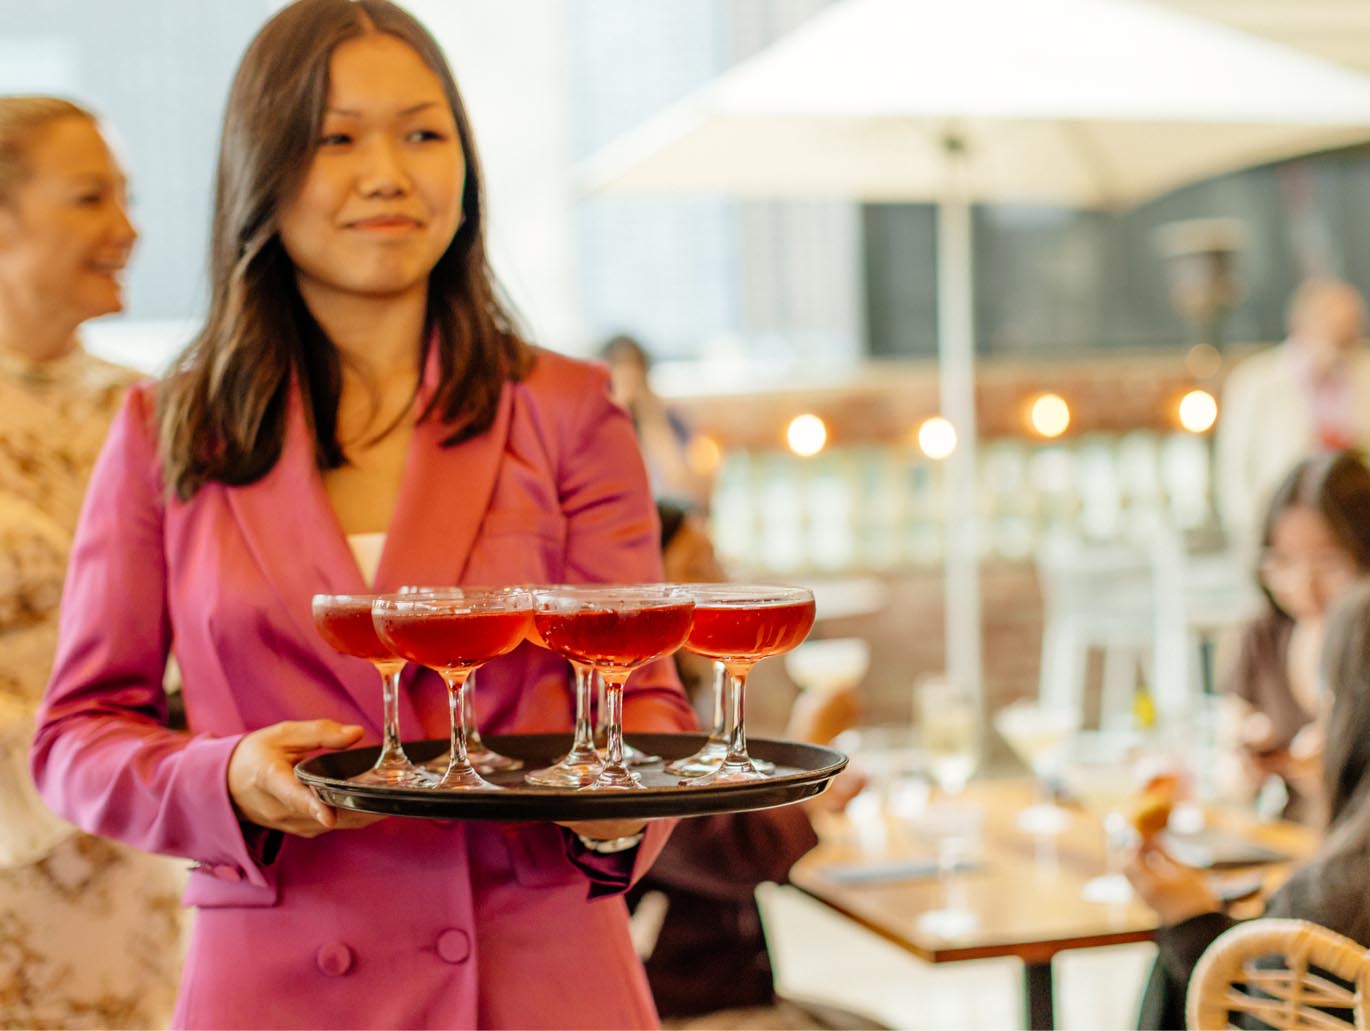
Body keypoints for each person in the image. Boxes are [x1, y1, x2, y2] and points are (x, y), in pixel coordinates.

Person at [29, 4, 695, 1029]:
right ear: (263, 166)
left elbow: (643, 695)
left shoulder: (567, 409)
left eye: (423, 133)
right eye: (337, 139)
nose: (387, 174)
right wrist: (223, 776)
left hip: (540, 978)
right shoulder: (169, 426)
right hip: (277, 986)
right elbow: (76, 737)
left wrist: (612, 820)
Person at [0, 95, 186, 1029]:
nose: (128, 228)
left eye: (127, 197)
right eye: (89, 198)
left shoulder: (151, 412)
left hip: (134, 877)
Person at [1129, 572, 1370, 1029]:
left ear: (1363, 725)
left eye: (1329, 702)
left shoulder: (1336, 903)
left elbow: (1263, 1019)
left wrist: (1190, 922)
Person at [628, 501, 865, 1028]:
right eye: (696, 570)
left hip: (731, 991)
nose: (719, 587)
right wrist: (810, 747)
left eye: (719, 566)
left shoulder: (683, 705)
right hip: (675, 1007)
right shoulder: (632, 721)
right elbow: (736, 855)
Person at [1219, 452, 1370, 821]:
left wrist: (1344, 781)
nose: (1305, 587)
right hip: (1288, 845)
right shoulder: (1264, 634)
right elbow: (1227, 775)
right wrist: (1245, 764)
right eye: (1283, 562)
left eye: (1329, 562)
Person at [1215, 278, 1370, 548]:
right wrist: (1258, 537)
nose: (1345, 338)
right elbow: (1234, 470)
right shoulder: (1254, 382)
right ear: (1302, 325)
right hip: (1286, 528)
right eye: (1334, 328)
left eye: (1351, 328)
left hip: (1361, 531)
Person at [600, 334, 712, 508]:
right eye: (618, 369)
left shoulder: (670, 420)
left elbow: (680, 484)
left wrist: (648, 412)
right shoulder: (594, 424)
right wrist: (614, 410)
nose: (628, 380)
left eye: (634, 371)